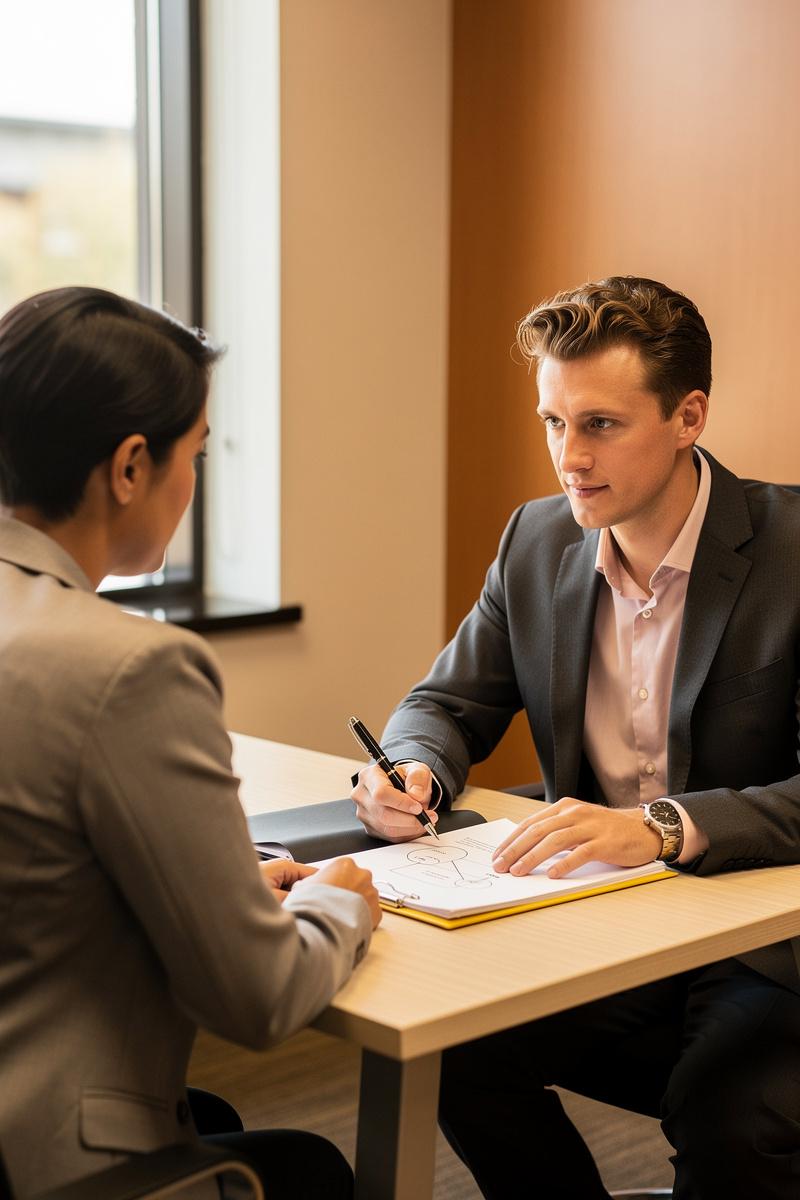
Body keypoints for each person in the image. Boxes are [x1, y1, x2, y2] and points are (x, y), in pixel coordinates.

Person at [351, 276, 800, 1199]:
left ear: (689, 416)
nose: (567, 456)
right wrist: (412, 769)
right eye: (553, 422)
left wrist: (666, 826)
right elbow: (444, 701)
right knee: (457, 1052)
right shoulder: (537, 540)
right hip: (604, 925)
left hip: (766, 938)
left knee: (730, 1119)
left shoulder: (791, 550)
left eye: (599, 425)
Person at [0, 286, 381, 1200]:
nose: (193, 483)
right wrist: (339, 903)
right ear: (131, 465)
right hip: (46, 1157)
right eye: (197, 455)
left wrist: (213, 884)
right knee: (314, 1174)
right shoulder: (132, 668)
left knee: (222, 1123)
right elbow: (258, 1000)